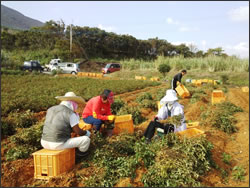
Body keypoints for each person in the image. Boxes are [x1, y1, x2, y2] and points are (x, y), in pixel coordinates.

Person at [41, 92, 91, 157]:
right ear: (72, 104)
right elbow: (78, 132)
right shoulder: (70, 113)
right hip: (57, 144)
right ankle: (79, 156)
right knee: (85, 140)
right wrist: (87, 133)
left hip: (44, 142)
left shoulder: (50, 109)